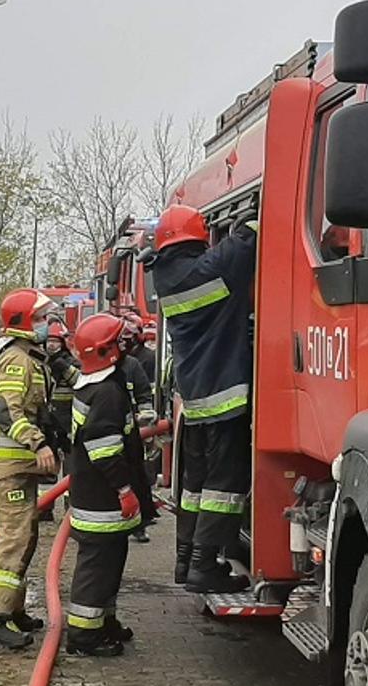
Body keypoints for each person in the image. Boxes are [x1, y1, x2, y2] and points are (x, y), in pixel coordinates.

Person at [149, 204, 257, 593]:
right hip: (224, 395)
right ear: (196, 240)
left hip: (195, 396)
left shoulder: (168, 276)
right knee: (225, 483)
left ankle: (184, 561)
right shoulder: (203, 271)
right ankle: (204, 564)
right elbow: (247, 242)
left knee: (195, 484)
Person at [0, 289, 61, 649]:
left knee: (25, 534)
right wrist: (37, 443)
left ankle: (13, 609)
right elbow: (7, 412)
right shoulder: (16, 361)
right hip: (6, 466)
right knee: (14, 537)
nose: (47, 325)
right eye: (41, 319)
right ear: (24, 322)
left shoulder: (30, 358)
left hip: (15, 466)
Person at [62, 313, 143, 656]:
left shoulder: (93, 383)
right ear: (107, 350)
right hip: (104, 499)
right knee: (97, 568)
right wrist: (125, 490)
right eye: (119, 341)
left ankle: (103, 621)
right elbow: (105, 451)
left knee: (111, 563)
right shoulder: (107, 392)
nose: (126, 345)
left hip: (94, 495)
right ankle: (83, 636)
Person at [115, 317, 158, 543]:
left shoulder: (133, 365)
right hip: (105, 436)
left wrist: (146, 415)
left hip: (130, 436)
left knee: (136, 478)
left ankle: (140, 523)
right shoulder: (96, 367)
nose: (123, 345)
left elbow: (143, 395)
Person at [40, 319, 80, 520]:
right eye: (49, 341)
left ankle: (69, 510)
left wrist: (65, 368)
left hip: (68, 423)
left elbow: (80, 383)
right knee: (46, 468)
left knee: (71, 470)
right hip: (48, 422)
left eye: (55, 341)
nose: (51, 345)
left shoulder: (71, 362)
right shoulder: (40, 362)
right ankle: (44, 509)